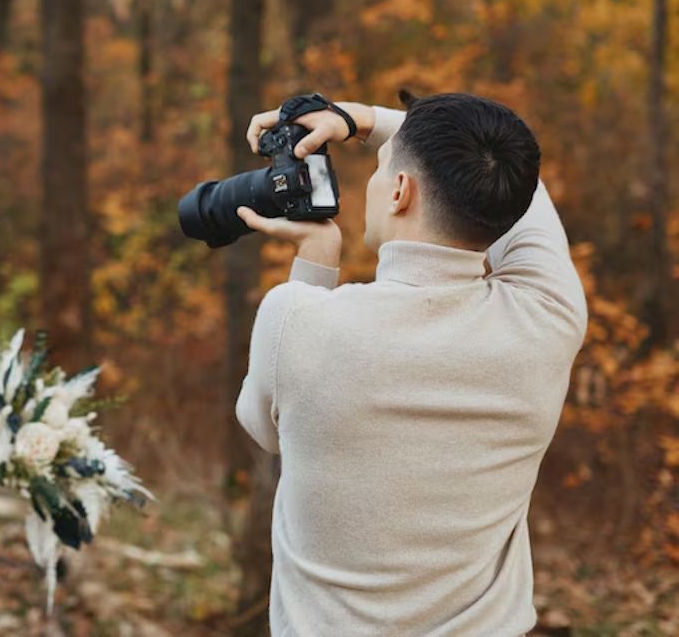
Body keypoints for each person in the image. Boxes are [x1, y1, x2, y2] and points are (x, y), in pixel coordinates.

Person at [234, 93, 587, 635]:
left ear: (400, 191)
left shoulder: (296, 319)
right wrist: (366, 125)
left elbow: (266, 430)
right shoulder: (548, 318)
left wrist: (314, 264)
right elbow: (526, 190)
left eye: (381, 169)